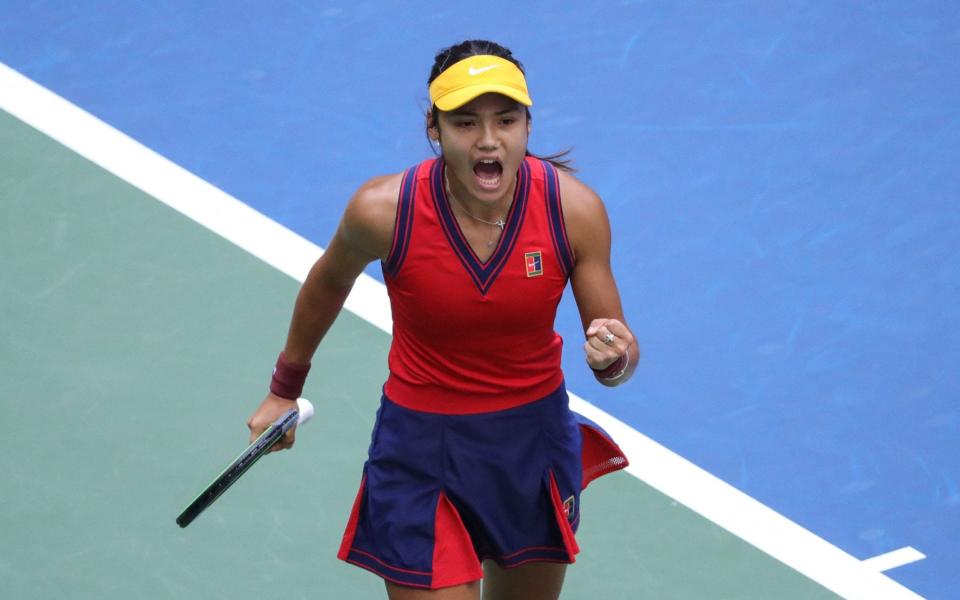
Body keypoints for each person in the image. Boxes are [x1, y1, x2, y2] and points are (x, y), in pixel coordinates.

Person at [246, 39, 639, 600]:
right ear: (434, 128)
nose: (487, 139)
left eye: (506, 120)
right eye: (464, 122)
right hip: (420, 451)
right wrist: (284, 390)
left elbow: (615, 353)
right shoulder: (384, 211)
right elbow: (329, 281)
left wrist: (614, 357)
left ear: (528, 125)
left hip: (530, 448)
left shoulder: (573, 211)